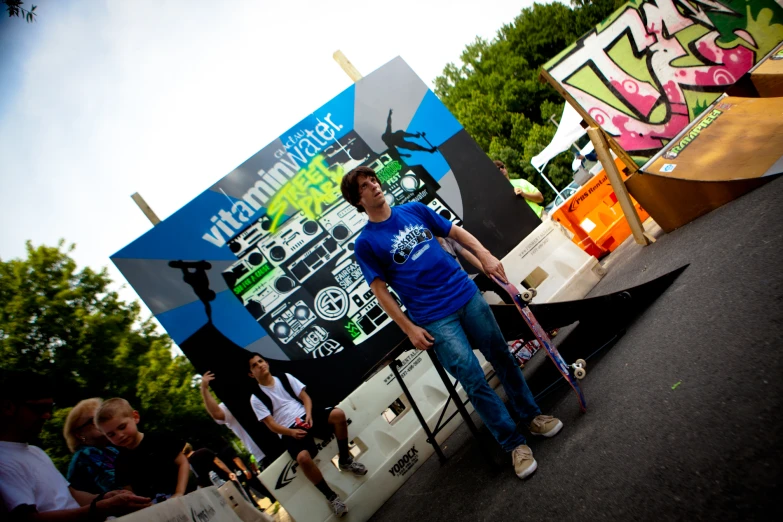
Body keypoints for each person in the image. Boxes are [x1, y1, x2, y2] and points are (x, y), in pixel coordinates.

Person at [340, 166, 563, 480]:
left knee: (501, 356)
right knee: (473, 378)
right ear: (357, 200)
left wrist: (484, 255)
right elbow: (380, 291)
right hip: (434, 317)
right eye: (364, 186)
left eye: (374, 179)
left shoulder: (414, 210)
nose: (374, 185)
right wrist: (409, 328)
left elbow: (454, 233)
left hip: (466, 294)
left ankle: (532, 416)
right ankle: (514, 444)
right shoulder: (366, 243)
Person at [0, 370, 150, 520]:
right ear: (8, 407)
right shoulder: (3, 460)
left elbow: (72, 495)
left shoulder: (36, 452)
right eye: (39, 409)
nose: (47, 415)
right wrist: (103, 507)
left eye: (49, 408)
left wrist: (104, 497)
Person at [247, 354, 367, 517]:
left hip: (305, 415)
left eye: (261, 361)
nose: (260, 365)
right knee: (303, 458)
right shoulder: (255, 398)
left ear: (267, 362)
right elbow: (271, 425)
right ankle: (332, 498)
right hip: (287, 429)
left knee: (338, 414)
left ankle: (345, 460)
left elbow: (305, 398)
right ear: (251, 374)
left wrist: (309, 414)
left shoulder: (284, 377)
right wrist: (291, 432)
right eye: (254, 365)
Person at [95, 398, 195, 501]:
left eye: (122, 427)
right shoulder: (121, 462)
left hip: (187, 495)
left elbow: (183, 463)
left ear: (135, 417)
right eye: (111, 434)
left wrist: (179, 493)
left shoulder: (159, 439)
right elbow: (129, 491)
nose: (119, 435)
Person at [199, 370, 275, 501]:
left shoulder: (258, 390)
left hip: (284, 438)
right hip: (263, 454)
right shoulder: (229, 406)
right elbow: (217, 414)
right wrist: (204, 389)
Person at [63, 398, 119, 494]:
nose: (101, 423)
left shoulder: (111, 450)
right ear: (79, 434)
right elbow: (116, 487)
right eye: (94, 420)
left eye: (102, 417)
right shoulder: (85, 455)